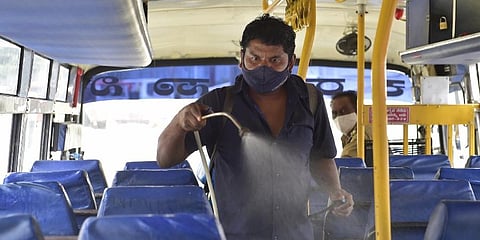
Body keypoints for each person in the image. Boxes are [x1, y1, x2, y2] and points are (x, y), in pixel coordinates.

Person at [157, 14, 354, 240]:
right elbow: (165, 159)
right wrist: (179, 123)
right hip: (234, 234)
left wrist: (335, 191)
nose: (263, 68)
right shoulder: (219, 104)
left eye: (274, 61)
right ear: (242, 58)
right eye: (254, 58)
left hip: (294, 233)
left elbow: (320, 157)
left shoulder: (310, 100)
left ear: (291, 62)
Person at [330, 90, 373, 158]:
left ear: (357, 110)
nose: (338, 117)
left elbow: (346, 160)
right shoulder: (347, 136)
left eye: (343, 111)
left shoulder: (364, 131)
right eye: (334, 113)